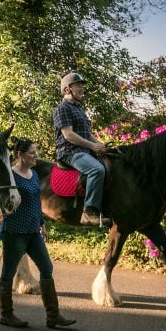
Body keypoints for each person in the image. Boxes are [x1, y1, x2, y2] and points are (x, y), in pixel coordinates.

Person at [0, 137, 75, 329]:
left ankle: (53, 316)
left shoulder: (32, 174)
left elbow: (36, 202)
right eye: (32, 153)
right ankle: (6, 315)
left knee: (46, 268)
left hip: (33, 231)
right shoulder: (10, 176)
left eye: (35, 153)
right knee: (7, 273)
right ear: (20, 155)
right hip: (14, 232)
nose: (36, 156)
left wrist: (42, 224)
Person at [53, 71, 111, 227]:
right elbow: (68, 135)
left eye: (81, 85)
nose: (81, 88)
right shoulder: (63, 108)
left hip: (83, 151)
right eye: (78, 85)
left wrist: (101, 145)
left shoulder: (79, 109)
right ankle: (89, 212)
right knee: (96, 170)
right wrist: (93, 146)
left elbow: (87, 134)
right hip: (70, 152)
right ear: (67, 90)